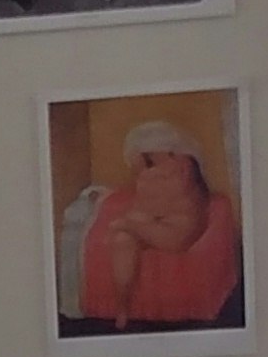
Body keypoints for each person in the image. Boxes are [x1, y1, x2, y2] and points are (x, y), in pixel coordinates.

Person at [66, 118, 244, 331]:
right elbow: (145, 203)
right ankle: (123, 305)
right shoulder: (151, 173)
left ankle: (126, 228)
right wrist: (142, 209)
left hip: (177, 231)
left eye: (148, 156)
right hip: (157, 224)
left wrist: (143, 207)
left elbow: (168, 202)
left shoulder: (184, 169)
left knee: (128, 225)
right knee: (123, 240)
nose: (143, 165)